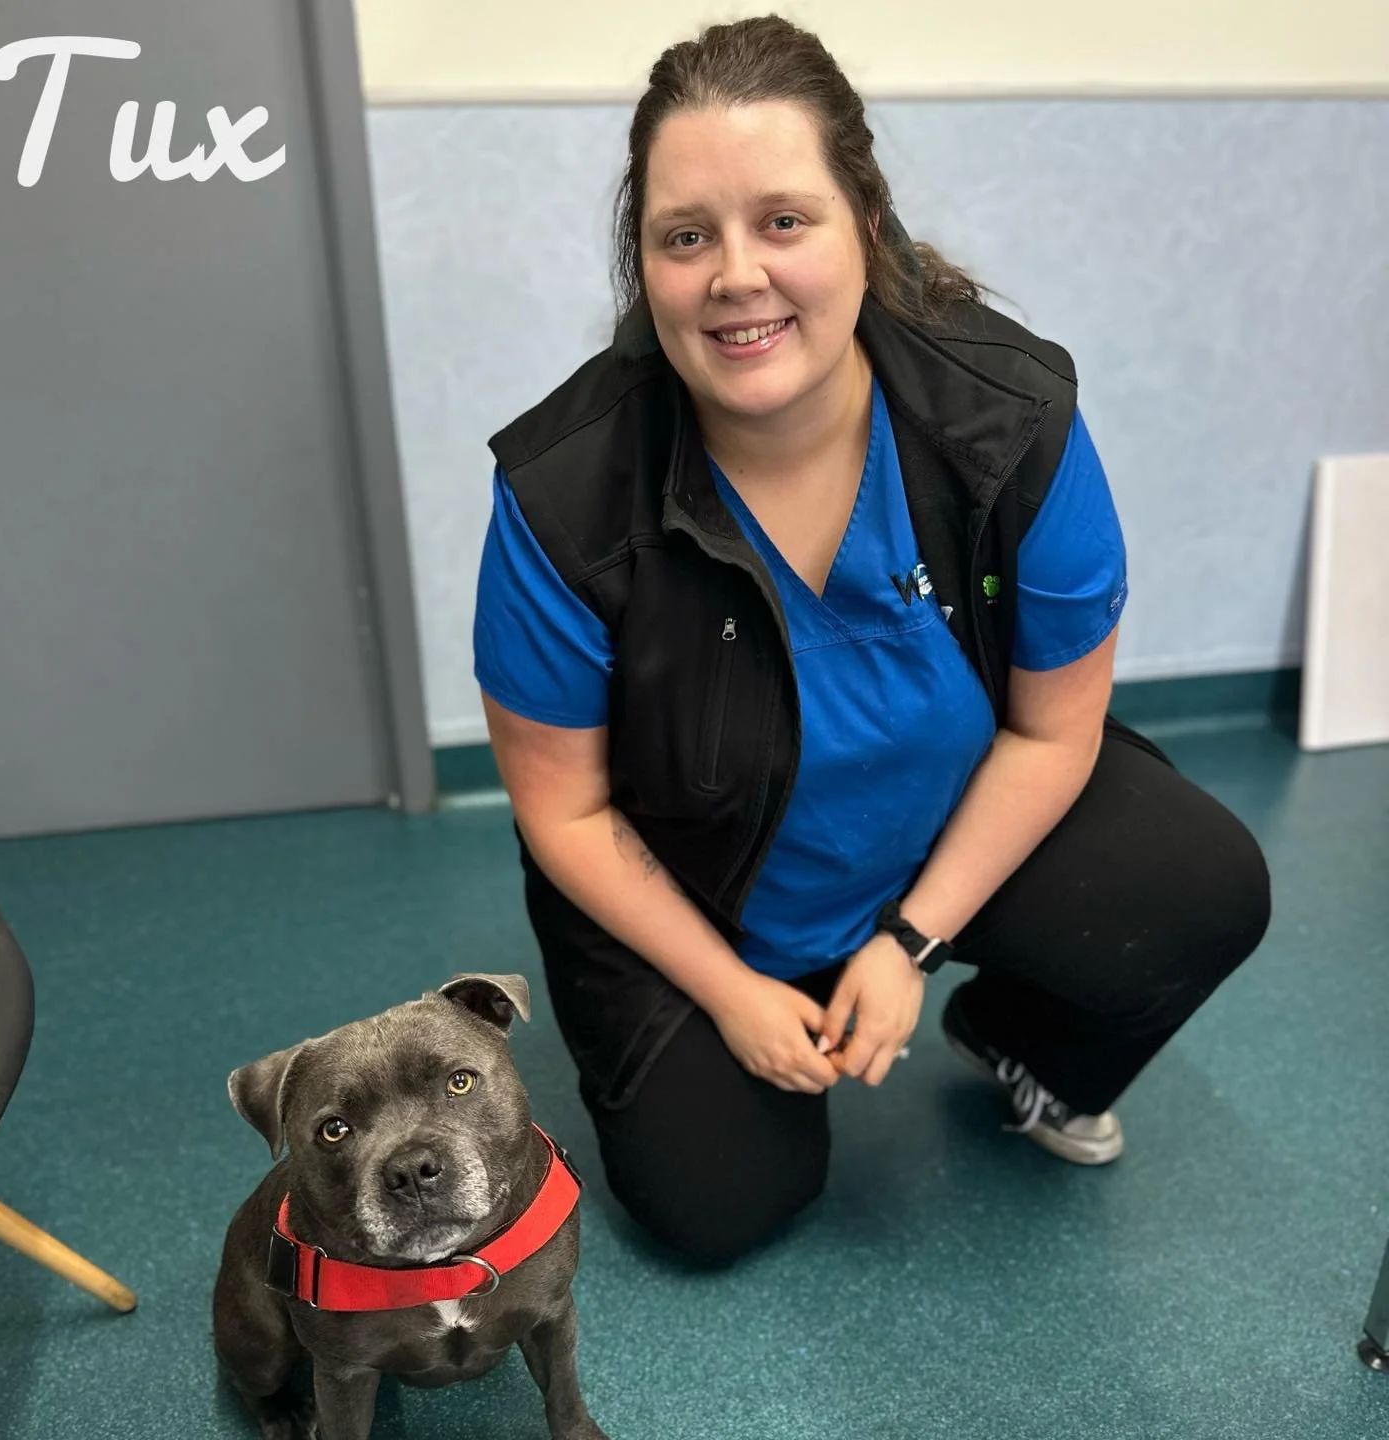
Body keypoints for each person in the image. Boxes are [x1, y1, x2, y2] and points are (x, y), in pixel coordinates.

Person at [471, 15, 1271, 1267]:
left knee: (1198, 894)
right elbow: (563, 812)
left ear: (867, 226)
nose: (737, 275)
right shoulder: (564, 494)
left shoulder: (1009, 421)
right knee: (718, 1210)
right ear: (646, 266)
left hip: (932, 836)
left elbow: (1052, 733)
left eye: (784, 220)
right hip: (703, 893)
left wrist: (909, 943)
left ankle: (1014, 1041)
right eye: (687, 237)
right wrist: (733, 994)